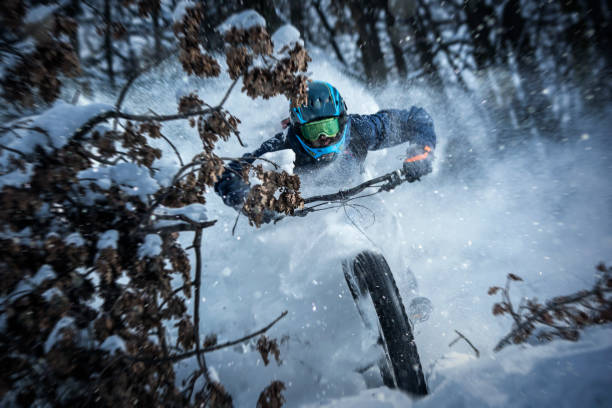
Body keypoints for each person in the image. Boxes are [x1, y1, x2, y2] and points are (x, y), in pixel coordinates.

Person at [215, 80, 437, 217]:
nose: (323, 138)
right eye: (314, 131)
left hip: (361, 200)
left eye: (328, 128)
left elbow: (416, 119)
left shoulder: (360, 129)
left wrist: (422, 153)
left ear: (342, 120)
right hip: (304, 220)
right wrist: (258, 204)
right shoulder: (283, 146)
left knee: (388, 231)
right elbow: (228, 176)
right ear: (298, 129)